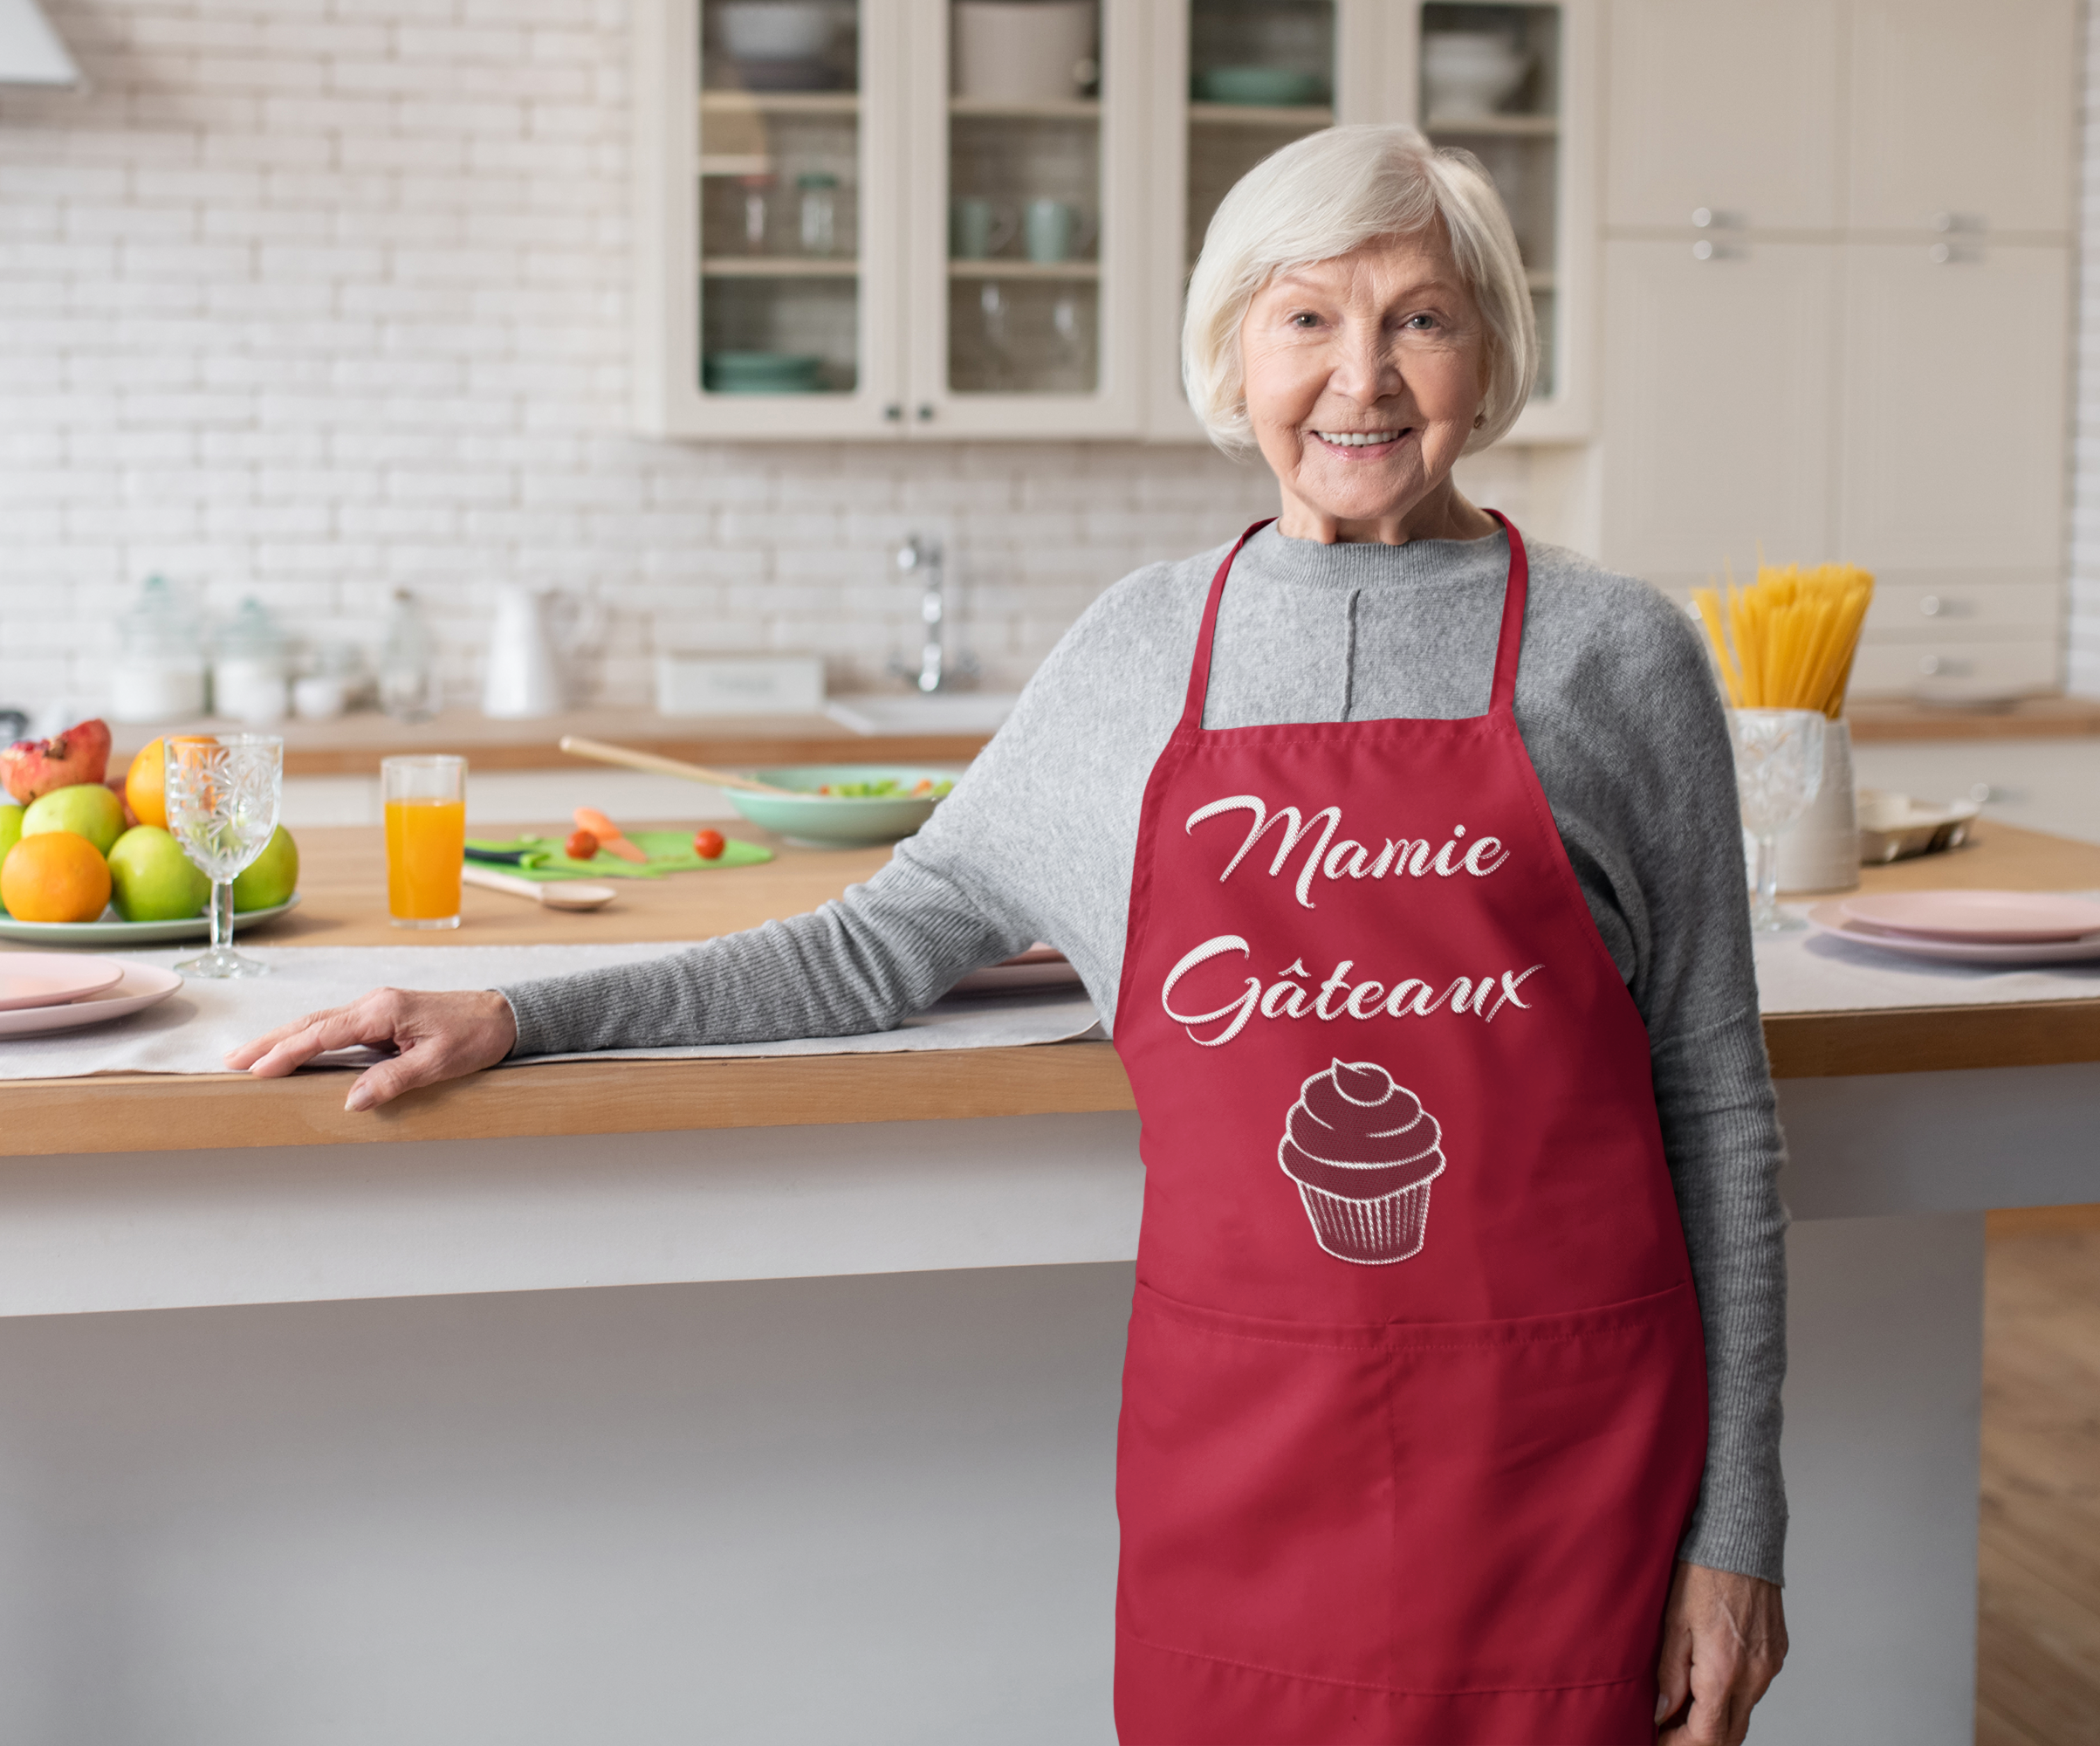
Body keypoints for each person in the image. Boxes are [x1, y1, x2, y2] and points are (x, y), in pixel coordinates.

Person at [233, 125, 1788, 1745]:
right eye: (1304, 317)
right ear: (1231, 352)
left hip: (1567, 1448)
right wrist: (519, 1014)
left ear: (1489, 352)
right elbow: (877, 940)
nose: (1362, 378)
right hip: (1246, 1442)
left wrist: (1736, 1531)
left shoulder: (1620, 661)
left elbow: (1717, 1100)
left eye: (1421, 317)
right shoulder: (1136, 653)